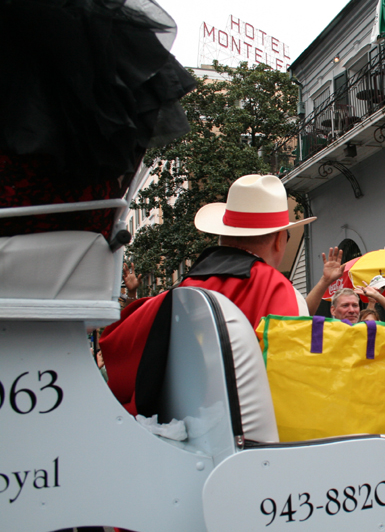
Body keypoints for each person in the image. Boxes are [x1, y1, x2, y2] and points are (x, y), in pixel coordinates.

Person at [100, 174, 317, 415]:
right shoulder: (281, 292)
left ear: (223, 235)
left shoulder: (182, 290)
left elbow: (120, 362)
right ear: (278, 240)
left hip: (181, 428)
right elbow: (296, 385)